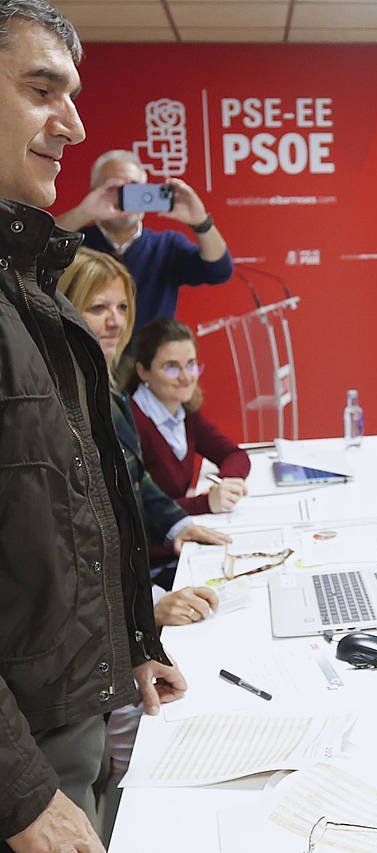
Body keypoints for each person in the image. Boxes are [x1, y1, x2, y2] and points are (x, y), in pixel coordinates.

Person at [0, 3, 187, 851]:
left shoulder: (35, 293)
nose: (72, 123)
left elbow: (70, 516)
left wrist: (134, 638)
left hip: (72, 734)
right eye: (43, 90)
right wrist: (21, 792)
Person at [58, 248, 231, 576]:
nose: (117, 322)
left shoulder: (110, 395)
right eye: (98, 308)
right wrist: (149, 603)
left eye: (122, 307)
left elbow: (134, 482)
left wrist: (178, 523)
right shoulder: (60, 407)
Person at [55, 149, 233, 330]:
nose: (126, 197)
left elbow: (219, 269)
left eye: (134, 188)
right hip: (86, 353)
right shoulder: (75, 242)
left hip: (148, 354)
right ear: (95, 192)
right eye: (115, 189)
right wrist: (84, 212)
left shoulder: (166, 246)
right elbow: (33, 248)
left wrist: (201, 222)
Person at [124, 317, 251, 517]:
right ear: (143, 371)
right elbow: (136, 515)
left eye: (191, 364)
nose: (186, 377)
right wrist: (206, 502)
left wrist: (226, 485)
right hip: (156, 544)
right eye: (171, 367)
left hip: (181, 534)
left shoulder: (185, 411)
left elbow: (235, 455)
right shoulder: (130, 425)